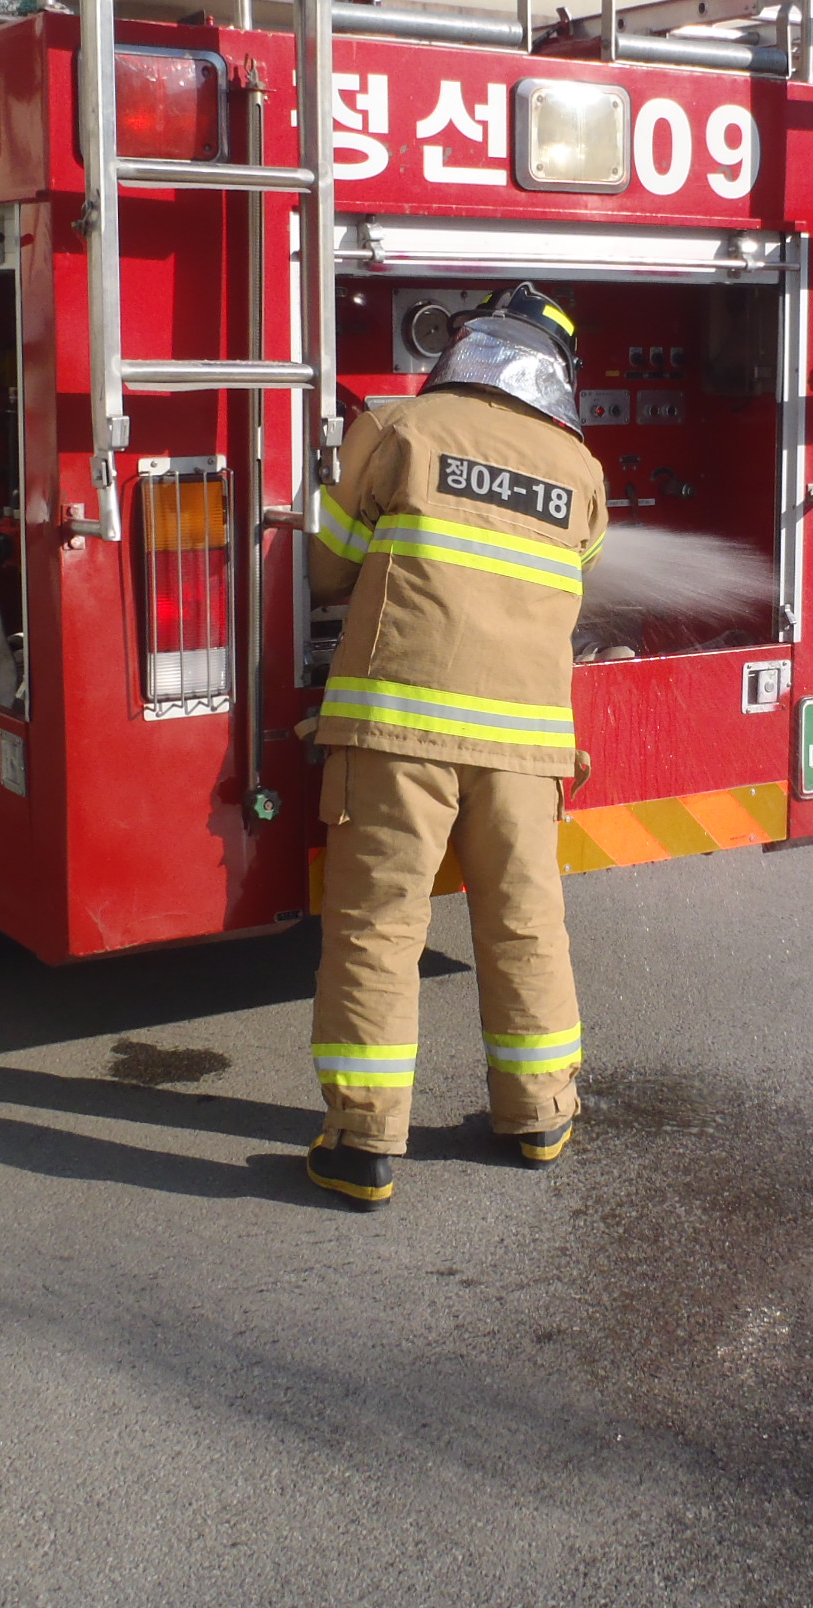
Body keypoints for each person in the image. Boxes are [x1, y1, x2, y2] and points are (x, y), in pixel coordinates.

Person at [303, 284, 607, 1208]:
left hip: (399, 732)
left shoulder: (400, 428)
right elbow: (572, 577)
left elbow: (326, 569)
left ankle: (362, 1143)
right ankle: (541, 1115)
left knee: (379, 927)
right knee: (525, 924)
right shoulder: (581, 469)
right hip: (527, 750)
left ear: (466, 348)